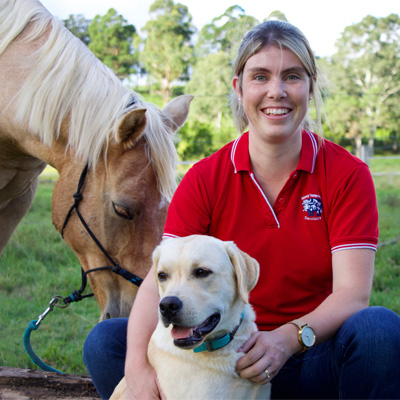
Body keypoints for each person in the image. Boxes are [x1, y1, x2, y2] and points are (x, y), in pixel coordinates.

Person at [83, 20, 400, 399]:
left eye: (292, 77)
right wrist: (136, 367)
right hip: (223, 358)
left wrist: (285, 340)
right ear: (239, 88)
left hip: (314, 352)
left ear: (310, 85)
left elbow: (352, 294)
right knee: (107, 343)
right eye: (260, 77)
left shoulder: (347, 174)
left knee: (378, 330)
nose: (276, 92)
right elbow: (159, 277)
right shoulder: (204, 178)